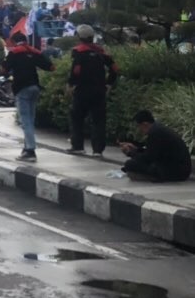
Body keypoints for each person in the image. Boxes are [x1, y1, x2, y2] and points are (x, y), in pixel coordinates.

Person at [67, 24, 118, 158]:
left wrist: (71, 84)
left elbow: (76, 70)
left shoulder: (78, 51)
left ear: (79, 37)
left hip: (82, 90)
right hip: (99, 91)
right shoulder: (101, 51)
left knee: (77, 118)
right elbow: (115, 68)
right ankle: (98, 150)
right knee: (99, 120)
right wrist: (109, 84)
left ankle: (78, 146)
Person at [3, 32, 54, 162]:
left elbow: (3, 70)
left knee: (26, 121)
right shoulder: (35, 51)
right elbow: (51, 67)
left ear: (14, 42)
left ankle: (30, 151)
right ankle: (26, 149)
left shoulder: (14, 53)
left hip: (22, 88)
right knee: (30, 119)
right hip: (35, 88)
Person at [121, 111, 192, 183]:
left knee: (130, 164)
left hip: (177, 172)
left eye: (139, 126)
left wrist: (130, 153)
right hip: (179, 169)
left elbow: (148, 158)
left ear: (145, 124)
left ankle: (153, 177)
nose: (139, 129)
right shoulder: (158, 129)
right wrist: (136, 149)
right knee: (134, 163)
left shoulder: (155, 133)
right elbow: (152, 152)